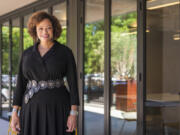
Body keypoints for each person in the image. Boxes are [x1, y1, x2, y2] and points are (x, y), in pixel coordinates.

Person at [10, 11, 80, 135]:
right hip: (31, 110)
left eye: (48, 28)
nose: (45, 32)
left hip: (58, 109)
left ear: (54, 30)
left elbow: (73, 85)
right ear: (35, 30)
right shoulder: (26, 54)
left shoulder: (65, 52)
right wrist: (15, 112)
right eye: (40, 28)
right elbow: (20, 84)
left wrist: (73, 113)